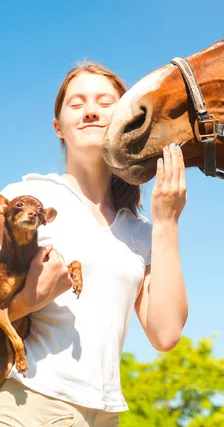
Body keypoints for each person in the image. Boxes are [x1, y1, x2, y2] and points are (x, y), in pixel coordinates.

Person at [0, 62, 188, 426]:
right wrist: (31, 299)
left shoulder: (140, 230)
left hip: (105, 414)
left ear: (125, 119)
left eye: (105, 102)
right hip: (30, 403)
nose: (90, 110)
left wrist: (167, 221)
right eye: (76, 103)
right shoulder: (25, 200)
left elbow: (165, 333)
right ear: (58, 127)